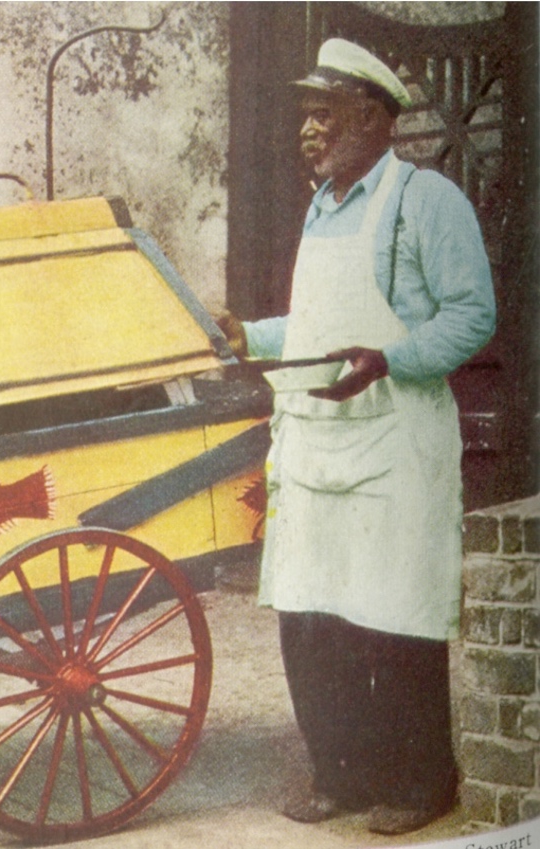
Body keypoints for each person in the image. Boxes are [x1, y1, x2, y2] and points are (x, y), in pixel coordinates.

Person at [219, 38, 496, 836]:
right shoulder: (324, 205)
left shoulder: (425, 199)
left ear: (373, 118)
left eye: (325, 113)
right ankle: (340, 774)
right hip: (316, 437)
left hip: (392, 439)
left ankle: (419, 782)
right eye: (308, 113)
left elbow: (472, 314)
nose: (309, 128)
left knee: (393, 612)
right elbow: (315, 328)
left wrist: (391, 360)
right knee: (310, 613)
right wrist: (252, 335)